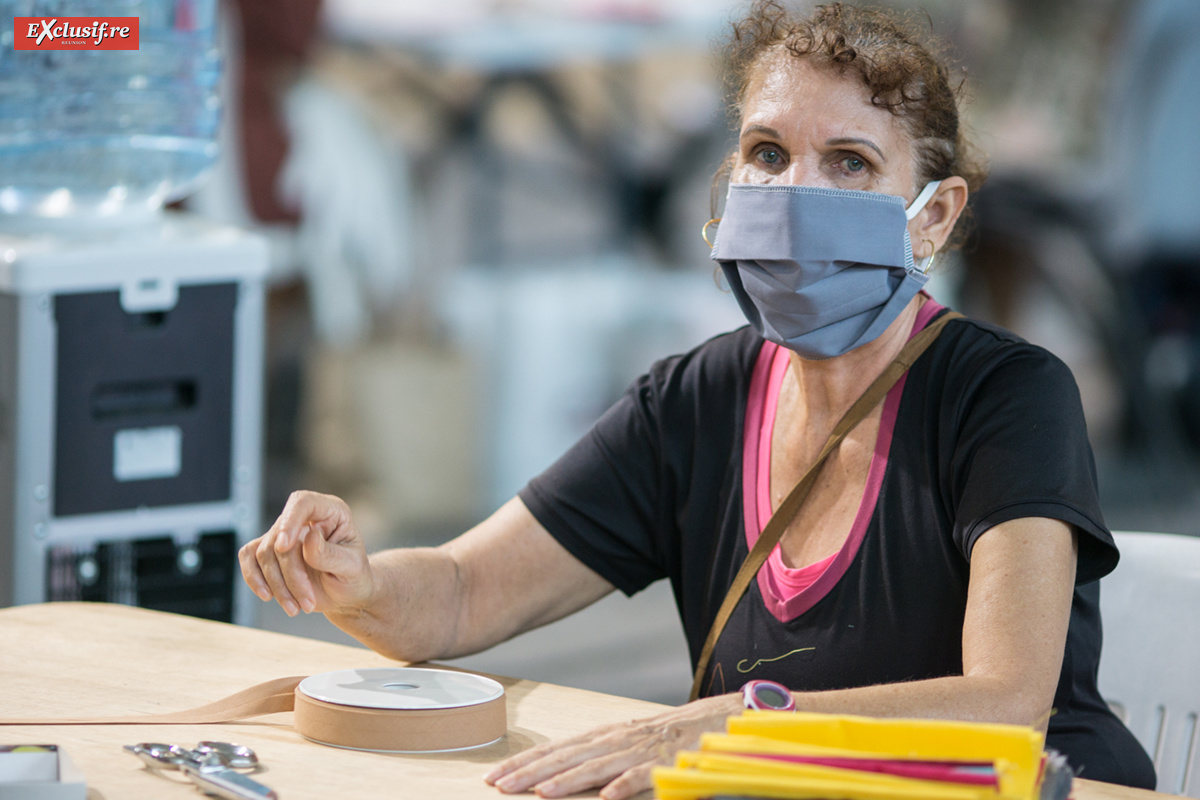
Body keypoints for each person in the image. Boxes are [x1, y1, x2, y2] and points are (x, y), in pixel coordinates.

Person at [239, 2, 1156, 797]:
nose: (797, 193)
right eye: (768, 152)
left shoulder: (1007, 396)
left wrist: (734, 727)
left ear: (937, 214)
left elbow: (1005, 705)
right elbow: (462, 593)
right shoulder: (696, 400)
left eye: (849, 163)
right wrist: (356, 583)